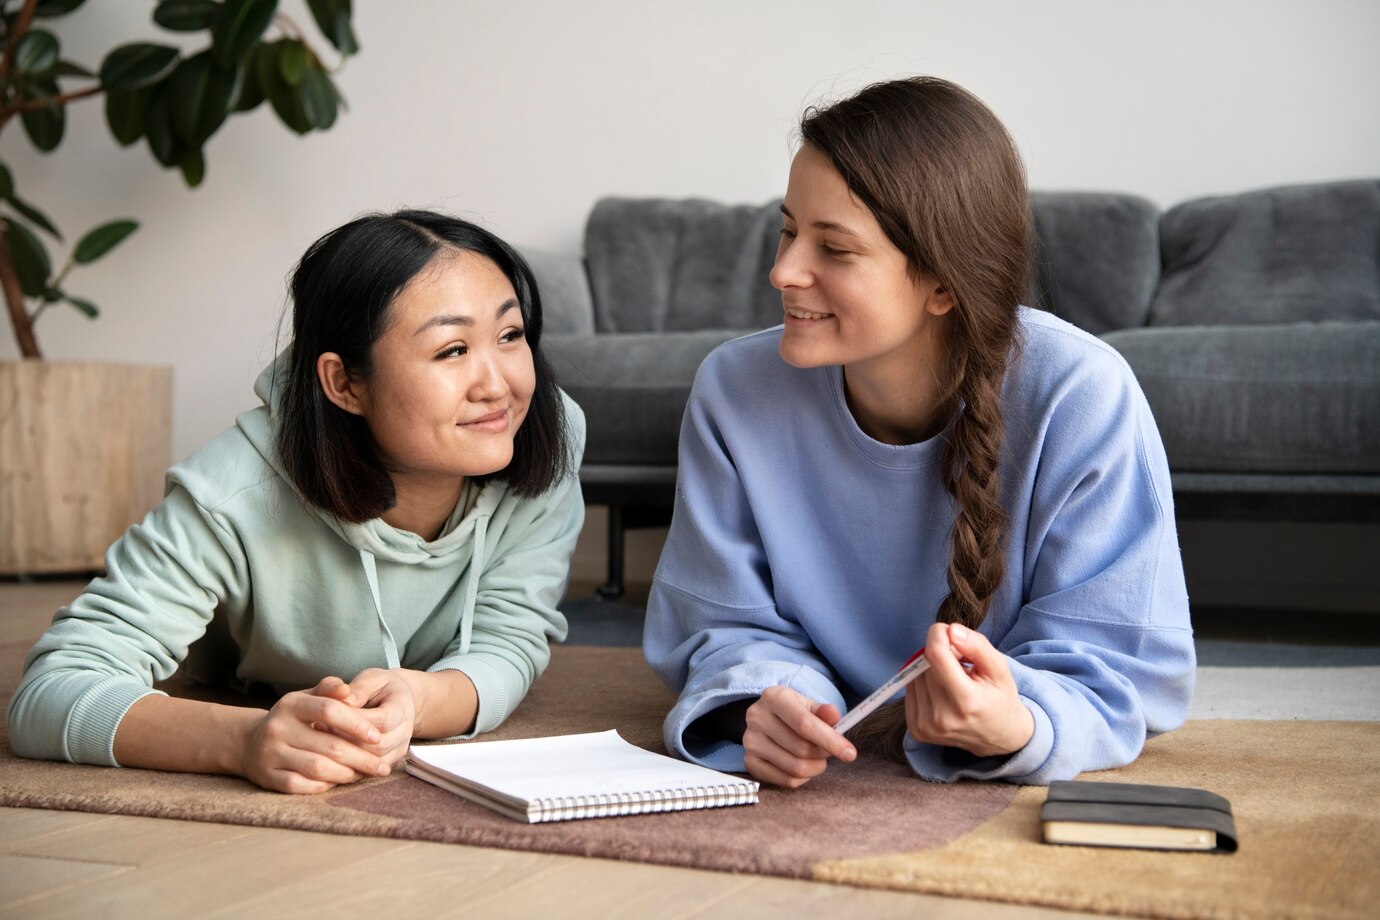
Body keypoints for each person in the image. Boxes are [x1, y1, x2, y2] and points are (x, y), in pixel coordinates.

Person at [643, 76, 1195, 787]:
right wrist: (764, 697)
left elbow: (1117, 654)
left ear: (942, 282)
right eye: (787, 231)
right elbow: (719, 619)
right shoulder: (733, 390)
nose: (783, 271)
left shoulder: (1081, 394)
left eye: (833, 249)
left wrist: (1019, 721)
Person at [8, 210, 585, 794]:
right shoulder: (231, 491)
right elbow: (51, 692)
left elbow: (509, 637)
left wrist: (418, 699)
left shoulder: (538, 431)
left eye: (510, 336)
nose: (499, 384)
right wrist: (241, 740)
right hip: (235, 691)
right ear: (345, 384)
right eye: (452, 350)